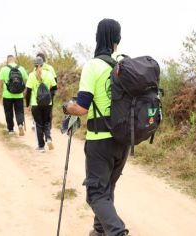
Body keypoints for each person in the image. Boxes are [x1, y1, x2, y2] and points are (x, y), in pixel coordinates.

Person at [63, 19, 130, 236]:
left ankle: (117, 232)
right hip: (123, 140)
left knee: (96, 194)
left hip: (100, 141)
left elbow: (82, 108)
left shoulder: (93, 66)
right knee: (107, 189)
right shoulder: (124, 65)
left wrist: (67, 108)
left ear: (97, 38)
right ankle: (99, 230)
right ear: (117, 40)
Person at [26, 56, 57, 153]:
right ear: (43, 64)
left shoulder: (31, 75)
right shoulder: (49, 74)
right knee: (47, 123)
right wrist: (49, 94)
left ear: (34, 65)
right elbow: (55, 87)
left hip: (36, 104)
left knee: (38, 124)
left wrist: (27, 105)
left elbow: (29, 92)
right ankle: (49, 138)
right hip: (48, 103)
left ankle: (41, 146)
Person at [0, 55, 28, 136]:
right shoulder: (21, 68)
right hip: (19, 95)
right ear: (14, 60)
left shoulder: (4, 69)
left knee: (8, 112)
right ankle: (20, 124)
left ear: (7, 61)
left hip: (7, 96)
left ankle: (11, 130)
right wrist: (25, 90)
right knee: (19, 111)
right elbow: (28, 80)